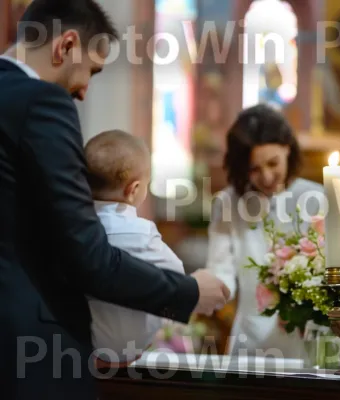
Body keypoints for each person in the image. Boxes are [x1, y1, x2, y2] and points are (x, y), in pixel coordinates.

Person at [0, 1, 229, 399]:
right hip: (30, 351)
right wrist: (188, 292)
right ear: (65, 45)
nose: (85, 91)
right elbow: (85, 254)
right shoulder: (42, 102)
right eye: (91, 70)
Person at [207, 104, 324, 360]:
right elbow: (220, 270)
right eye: (254, 169)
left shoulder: (315, 197)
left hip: (306, 333)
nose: (267, 176)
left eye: (273, 163)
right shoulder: (228, 203)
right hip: (251, 338)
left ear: (288, 149)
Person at [84, 130, 185, 365]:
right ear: (134, 189)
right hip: (132, 350)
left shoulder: (76, 231)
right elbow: (177, 280)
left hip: (82, 352)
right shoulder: (141, 233)